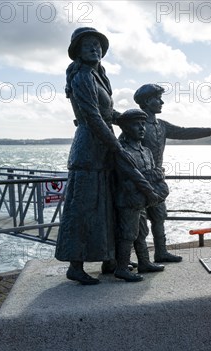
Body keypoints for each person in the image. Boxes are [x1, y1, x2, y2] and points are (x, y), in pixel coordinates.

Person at [55, 27, 156, 285]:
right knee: (83, 208)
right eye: (88, 44)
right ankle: (75, 265)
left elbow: (108, 115)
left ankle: (109, 260)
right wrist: (117, 146)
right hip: (89, 150)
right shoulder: (82, 78)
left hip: (102, 149)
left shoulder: (98, 77)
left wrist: (126, 119)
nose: (94, 49)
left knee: (106, 206)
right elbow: (93, 118)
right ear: (77, 51)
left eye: (98, 45)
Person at [133, 84, 211, 262]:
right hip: (138, 179)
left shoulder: (162, 125)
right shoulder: (136, 124)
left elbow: (185, 132)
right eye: (158, 98)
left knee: (159, 216)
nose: (162, 102)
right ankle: (142, 259)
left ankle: (161, 252)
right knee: (138, 221)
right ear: (147, 101)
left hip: (156, 179)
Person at [113, 109, 169, 282]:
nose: (142, 128)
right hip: (129, 200)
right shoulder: (122, 151)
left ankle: (144, 262)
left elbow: (153, 174)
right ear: (125, 128)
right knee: (128, 234)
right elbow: (132, 176)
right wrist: (150, 183)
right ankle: (121, 268)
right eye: (136, 124)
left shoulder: (146, 151)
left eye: (143, 124)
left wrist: (153, 180)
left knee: (142, 232)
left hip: (142, 200)